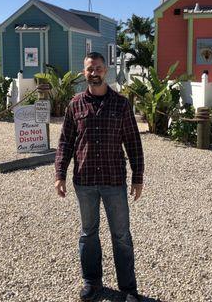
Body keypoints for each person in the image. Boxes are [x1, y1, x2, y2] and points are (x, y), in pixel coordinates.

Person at [55, 52, 144, 302]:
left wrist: (138, 177)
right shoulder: (75, 105)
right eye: (89, 69)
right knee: (88, 234)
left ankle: (128, 289)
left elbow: (133, 143)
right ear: (84, 72)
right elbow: (65, 143)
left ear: (106, 70)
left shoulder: (121, 104)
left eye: (98, 68)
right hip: (84, 181)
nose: (94, 73)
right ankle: (91, 282)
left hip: (114, 180)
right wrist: (59, 174)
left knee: (122, 236)